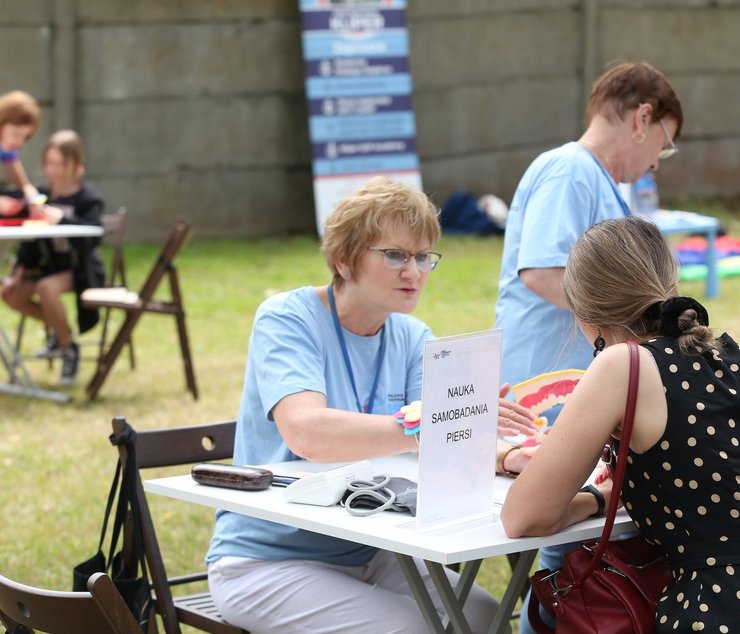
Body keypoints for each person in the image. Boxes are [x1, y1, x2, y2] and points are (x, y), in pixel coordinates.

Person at [501, 216, 740, 633]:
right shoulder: (738, 356)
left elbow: (523, 517)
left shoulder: (624, 364)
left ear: (586, 314)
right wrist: (602, 497)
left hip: (728, 611)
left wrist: (595, 496)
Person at [205, 178, 536, 634]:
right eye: (395, 255)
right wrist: (431, 423)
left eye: (423, 257)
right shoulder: (287, 318)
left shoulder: (411, 335)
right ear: (343, 259)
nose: (414, 271)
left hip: (371, 549)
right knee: (414, 630)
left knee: (482, 619)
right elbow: (307, 434)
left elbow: (445, 435)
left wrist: (507, 453)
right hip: (265, 561)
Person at [492, 60, 682, 631]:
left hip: (588, 382)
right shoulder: (570, 169)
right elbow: (543, 270)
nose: (653, 164)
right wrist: (639, 327)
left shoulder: (592, 177)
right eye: (663, 147)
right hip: (550, 385)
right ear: (642, 119)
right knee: (560, 545)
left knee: (574, 543)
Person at [0, 129, 105, 386]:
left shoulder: (87, 198)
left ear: (75, 166)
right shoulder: (41, 195)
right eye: (49, 163)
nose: (53, 170)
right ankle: (62, 332)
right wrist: (17, 275)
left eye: (59, 164)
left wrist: (62, 218)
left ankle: (68, 348)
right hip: (49, 268)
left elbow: (92, 240)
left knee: (47, 288)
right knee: (10, 294)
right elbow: (31, 244)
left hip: (81, 271)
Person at [0, 90, 45, 211]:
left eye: (25, 137)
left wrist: (32, 197)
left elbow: (24, 185)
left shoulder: (6, 149)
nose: (19, 142)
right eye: (16, 134)